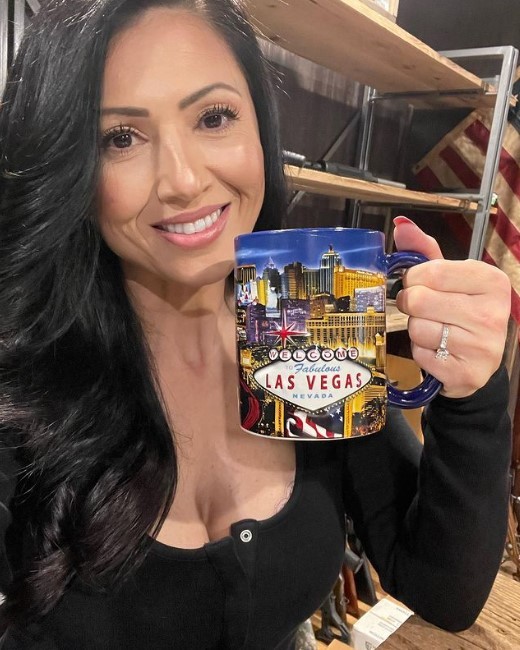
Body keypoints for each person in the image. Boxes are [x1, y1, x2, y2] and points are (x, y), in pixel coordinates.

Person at [0, 0, 512, 647]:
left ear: (261, 131)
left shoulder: (302, 323)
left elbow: (442, 589)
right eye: (121, 137)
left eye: (213, 117)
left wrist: (470, 396)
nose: (184, 180)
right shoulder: (27, 377)